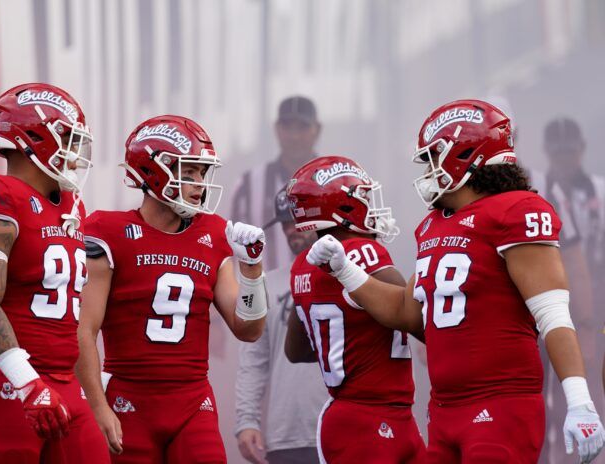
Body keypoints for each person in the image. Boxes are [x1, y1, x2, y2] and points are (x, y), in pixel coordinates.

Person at [305, 100, 605, 463]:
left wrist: (580, 402)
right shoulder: (434, 224)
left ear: (466, 154)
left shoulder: (516, 209)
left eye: (434, 157)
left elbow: (554, 316)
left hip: (500, 404)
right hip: (444, 410)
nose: (428, 169)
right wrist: (346, 272)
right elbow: (409, 313)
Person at [76, 114, 269, 463]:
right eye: (189, 172)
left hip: (194, 401)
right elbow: (83, 330)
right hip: (130, 399)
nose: (199, 184)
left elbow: (249, 329)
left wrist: (252, 270)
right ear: (154, 170)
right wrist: (98, 406)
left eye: (202, 174)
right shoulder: (109, 231)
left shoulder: (212, 232)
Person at [0, 83, 109, 463]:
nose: (76, 152)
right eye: (69, 139)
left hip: (64, 382)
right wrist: (26, 382)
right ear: (34, 139)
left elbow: (71, 316)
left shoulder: (72, 205)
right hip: (5, 387)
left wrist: (91, 391)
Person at [283, 156, 425, 464]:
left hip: (361, 416)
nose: (371, 208)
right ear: (341, 207)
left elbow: (296, 349)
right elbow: (419, 321)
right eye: (364, 198)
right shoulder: (367, 252)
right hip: (371, 418)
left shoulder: (301, 265)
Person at [530, 117, 604, 463]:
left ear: (582, 151)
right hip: (544, 303)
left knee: (584, 394)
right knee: (538, 397)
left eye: (569, 152)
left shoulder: (599, 192)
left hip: (592, 302)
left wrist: (589, 322)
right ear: (546, 152)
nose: (563, 160)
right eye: (557, 153)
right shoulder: (536, 191)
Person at [235, 186, 324, 464]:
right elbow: (253, 359)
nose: (289, 231)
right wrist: (246, 421)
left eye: (295, 221)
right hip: (286, 434)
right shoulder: (270, 283)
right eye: (284, 224)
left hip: (347, 427)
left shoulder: (357, 277)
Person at [231, 96, 321, 271]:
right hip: (267, 293)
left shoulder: (336, 183)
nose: (294, 136)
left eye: (302, 127)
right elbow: (232, 248)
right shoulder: (247, 185)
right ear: (277, 129)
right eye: (287, 127)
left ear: (317, 130)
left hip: (323, 292)